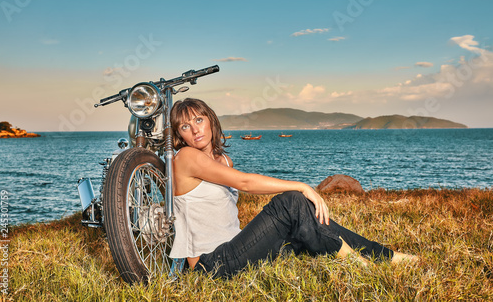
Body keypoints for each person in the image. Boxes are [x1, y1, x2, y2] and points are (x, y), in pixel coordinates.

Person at [169, 98, 417, 278]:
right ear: (180, 134)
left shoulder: (224, 161)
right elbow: (244, 182)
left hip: (237, 248)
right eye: (185, 126)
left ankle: (386, 256)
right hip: (212, 264)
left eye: (199, 120)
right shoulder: (186, 156)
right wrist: (302, 186)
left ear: (211, 121)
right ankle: (363, 265)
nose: (195, 129)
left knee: (306, 227)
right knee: (291, 202)